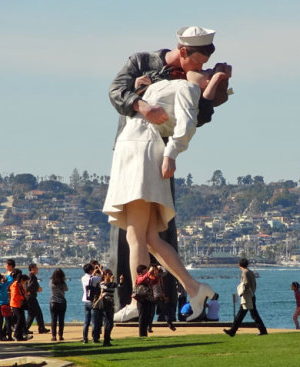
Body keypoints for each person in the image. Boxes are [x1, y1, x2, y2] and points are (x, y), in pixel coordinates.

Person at [108, 26, 232, 318]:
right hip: (138, 148)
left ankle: (138, 303)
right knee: (150, 236)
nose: (201, 70)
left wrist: (172, 152)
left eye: (206, 70)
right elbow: (117, 92)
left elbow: (194, 119)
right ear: (184, 52)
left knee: (136, 235)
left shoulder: (187, 88)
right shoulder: (149, 68)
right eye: (199, 64)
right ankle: (193, 288)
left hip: (142, 151)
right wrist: (141, 96)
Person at [223, 258, 267, 337]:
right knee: (251, 314)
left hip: (247, 296)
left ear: (240, 265)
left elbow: (245, 284)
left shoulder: (244, 272)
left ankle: (233, 331)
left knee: (242, 314)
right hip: (252, 295)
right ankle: (262, 330)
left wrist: (241, 291)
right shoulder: (250, 272)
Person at [97, 269, 122, 346]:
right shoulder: (102, 283)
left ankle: (107, 338)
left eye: (111, 274)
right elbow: (105, 287)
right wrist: (111, 282)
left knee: (110, 323)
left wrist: (121, 280)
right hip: (105, 304)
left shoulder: (112, 283)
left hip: (111, 304)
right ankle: (106, 340)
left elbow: (119, 286)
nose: (110, 275)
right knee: (107, 321)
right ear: (104, 275)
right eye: (108, 274)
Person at [148, 265, 176, 332]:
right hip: (157, 297)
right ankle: (170, 324)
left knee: (153, 313)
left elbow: (165, 272)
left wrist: (151, 270)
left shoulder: (150, 277)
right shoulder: (156, 277)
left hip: (154, 297)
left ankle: (149, 327)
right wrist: (160, 267)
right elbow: (165, 271)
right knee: (164, 311)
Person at [81, 263, 102, 344]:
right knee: (94, 321)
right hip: (92, 300)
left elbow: (90, 278)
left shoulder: (83, 278)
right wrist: (99, 269)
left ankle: (85, 338)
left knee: (86, 321)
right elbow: (102, 276)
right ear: (90, 270)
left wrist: (93, 272)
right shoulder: (94, 278)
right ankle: (94, 338)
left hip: (85, 300)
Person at [26, 263, 49, 334]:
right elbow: (30, 286)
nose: (37, 270)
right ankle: (41, 328)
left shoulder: (28, 276)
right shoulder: (32, 276)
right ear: (32, 269)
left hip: (29, 297)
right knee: (38, 313)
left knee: (31, 314)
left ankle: (25, 328)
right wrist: (37, 289)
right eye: (36, 268)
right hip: (31, 297)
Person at [10, 273, 32, 341]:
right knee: (20, 318)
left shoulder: (20, 285)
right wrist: (22, 297)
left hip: (20, 304)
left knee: (22, 319)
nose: (25, 283)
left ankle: (20, 336)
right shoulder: (15, 285)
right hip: (15, 304)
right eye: (25, 282)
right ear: (22, 280)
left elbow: (23, 293)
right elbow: (15, 295)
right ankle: (16, 334)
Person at [0, 272, 14, 341]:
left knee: (0, 321)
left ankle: (0, 336)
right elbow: (11, 279)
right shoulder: (3, 286)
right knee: (8, 320)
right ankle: (9, 336)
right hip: (5, 304)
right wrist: (5, 275)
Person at [50, 268, 68, 341]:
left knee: (53, 320)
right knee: (61, 320)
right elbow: (66, 289)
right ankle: (60, 335)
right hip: (62, 302)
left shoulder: (51, 282)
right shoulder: (62, 283)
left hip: (53, 301)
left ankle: (54, 336)